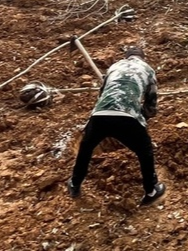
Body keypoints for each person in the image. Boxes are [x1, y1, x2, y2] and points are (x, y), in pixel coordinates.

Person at [67, 45, 165, 205]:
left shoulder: (114, 66)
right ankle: (151, 190)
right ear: (142, 57)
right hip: (127, 116)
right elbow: (151, 102)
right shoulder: (147, 69)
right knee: (145, 150)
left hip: (99, 114)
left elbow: (102, 93)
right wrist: (144, 117)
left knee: (86, 147)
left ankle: (74, 184)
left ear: (126, 57)